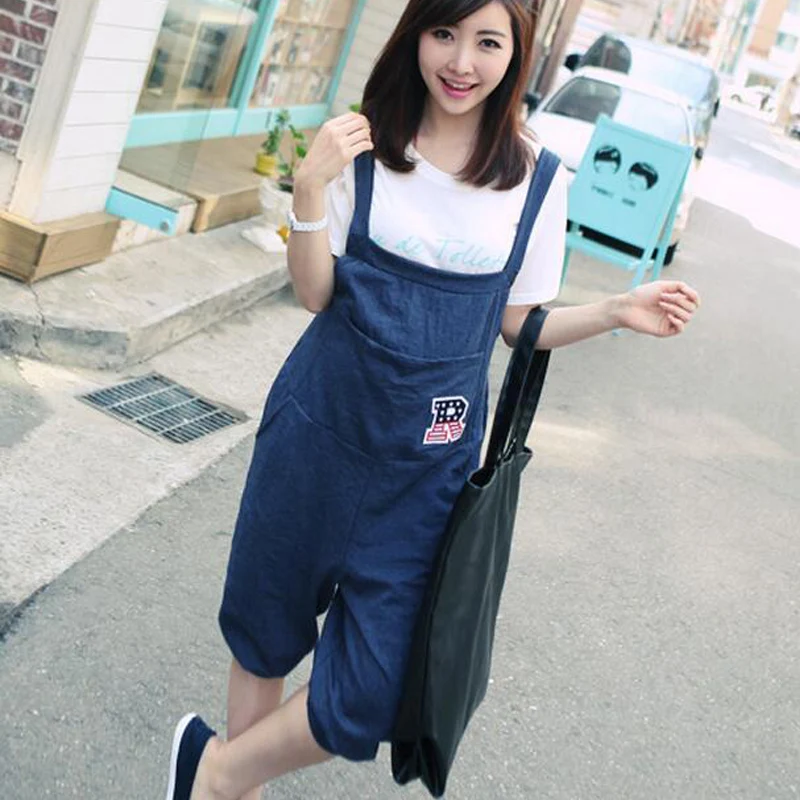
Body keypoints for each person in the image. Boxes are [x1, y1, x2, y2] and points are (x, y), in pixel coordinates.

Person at [164, 1, 701, 798]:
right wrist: (309, 185)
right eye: (445, 33)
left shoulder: (535, 178)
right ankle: (227, 790)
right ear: (417, 33)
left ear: (514, 55)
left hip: (426, 477)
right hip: (316, 436)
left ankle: (208, 774)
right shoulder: (363, 146)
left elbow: (520, 322)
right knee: (264, 635)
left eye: (487, 42)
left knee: (374, 687)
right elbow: (314, 293)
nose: (461, 62)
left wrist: (617, 311)